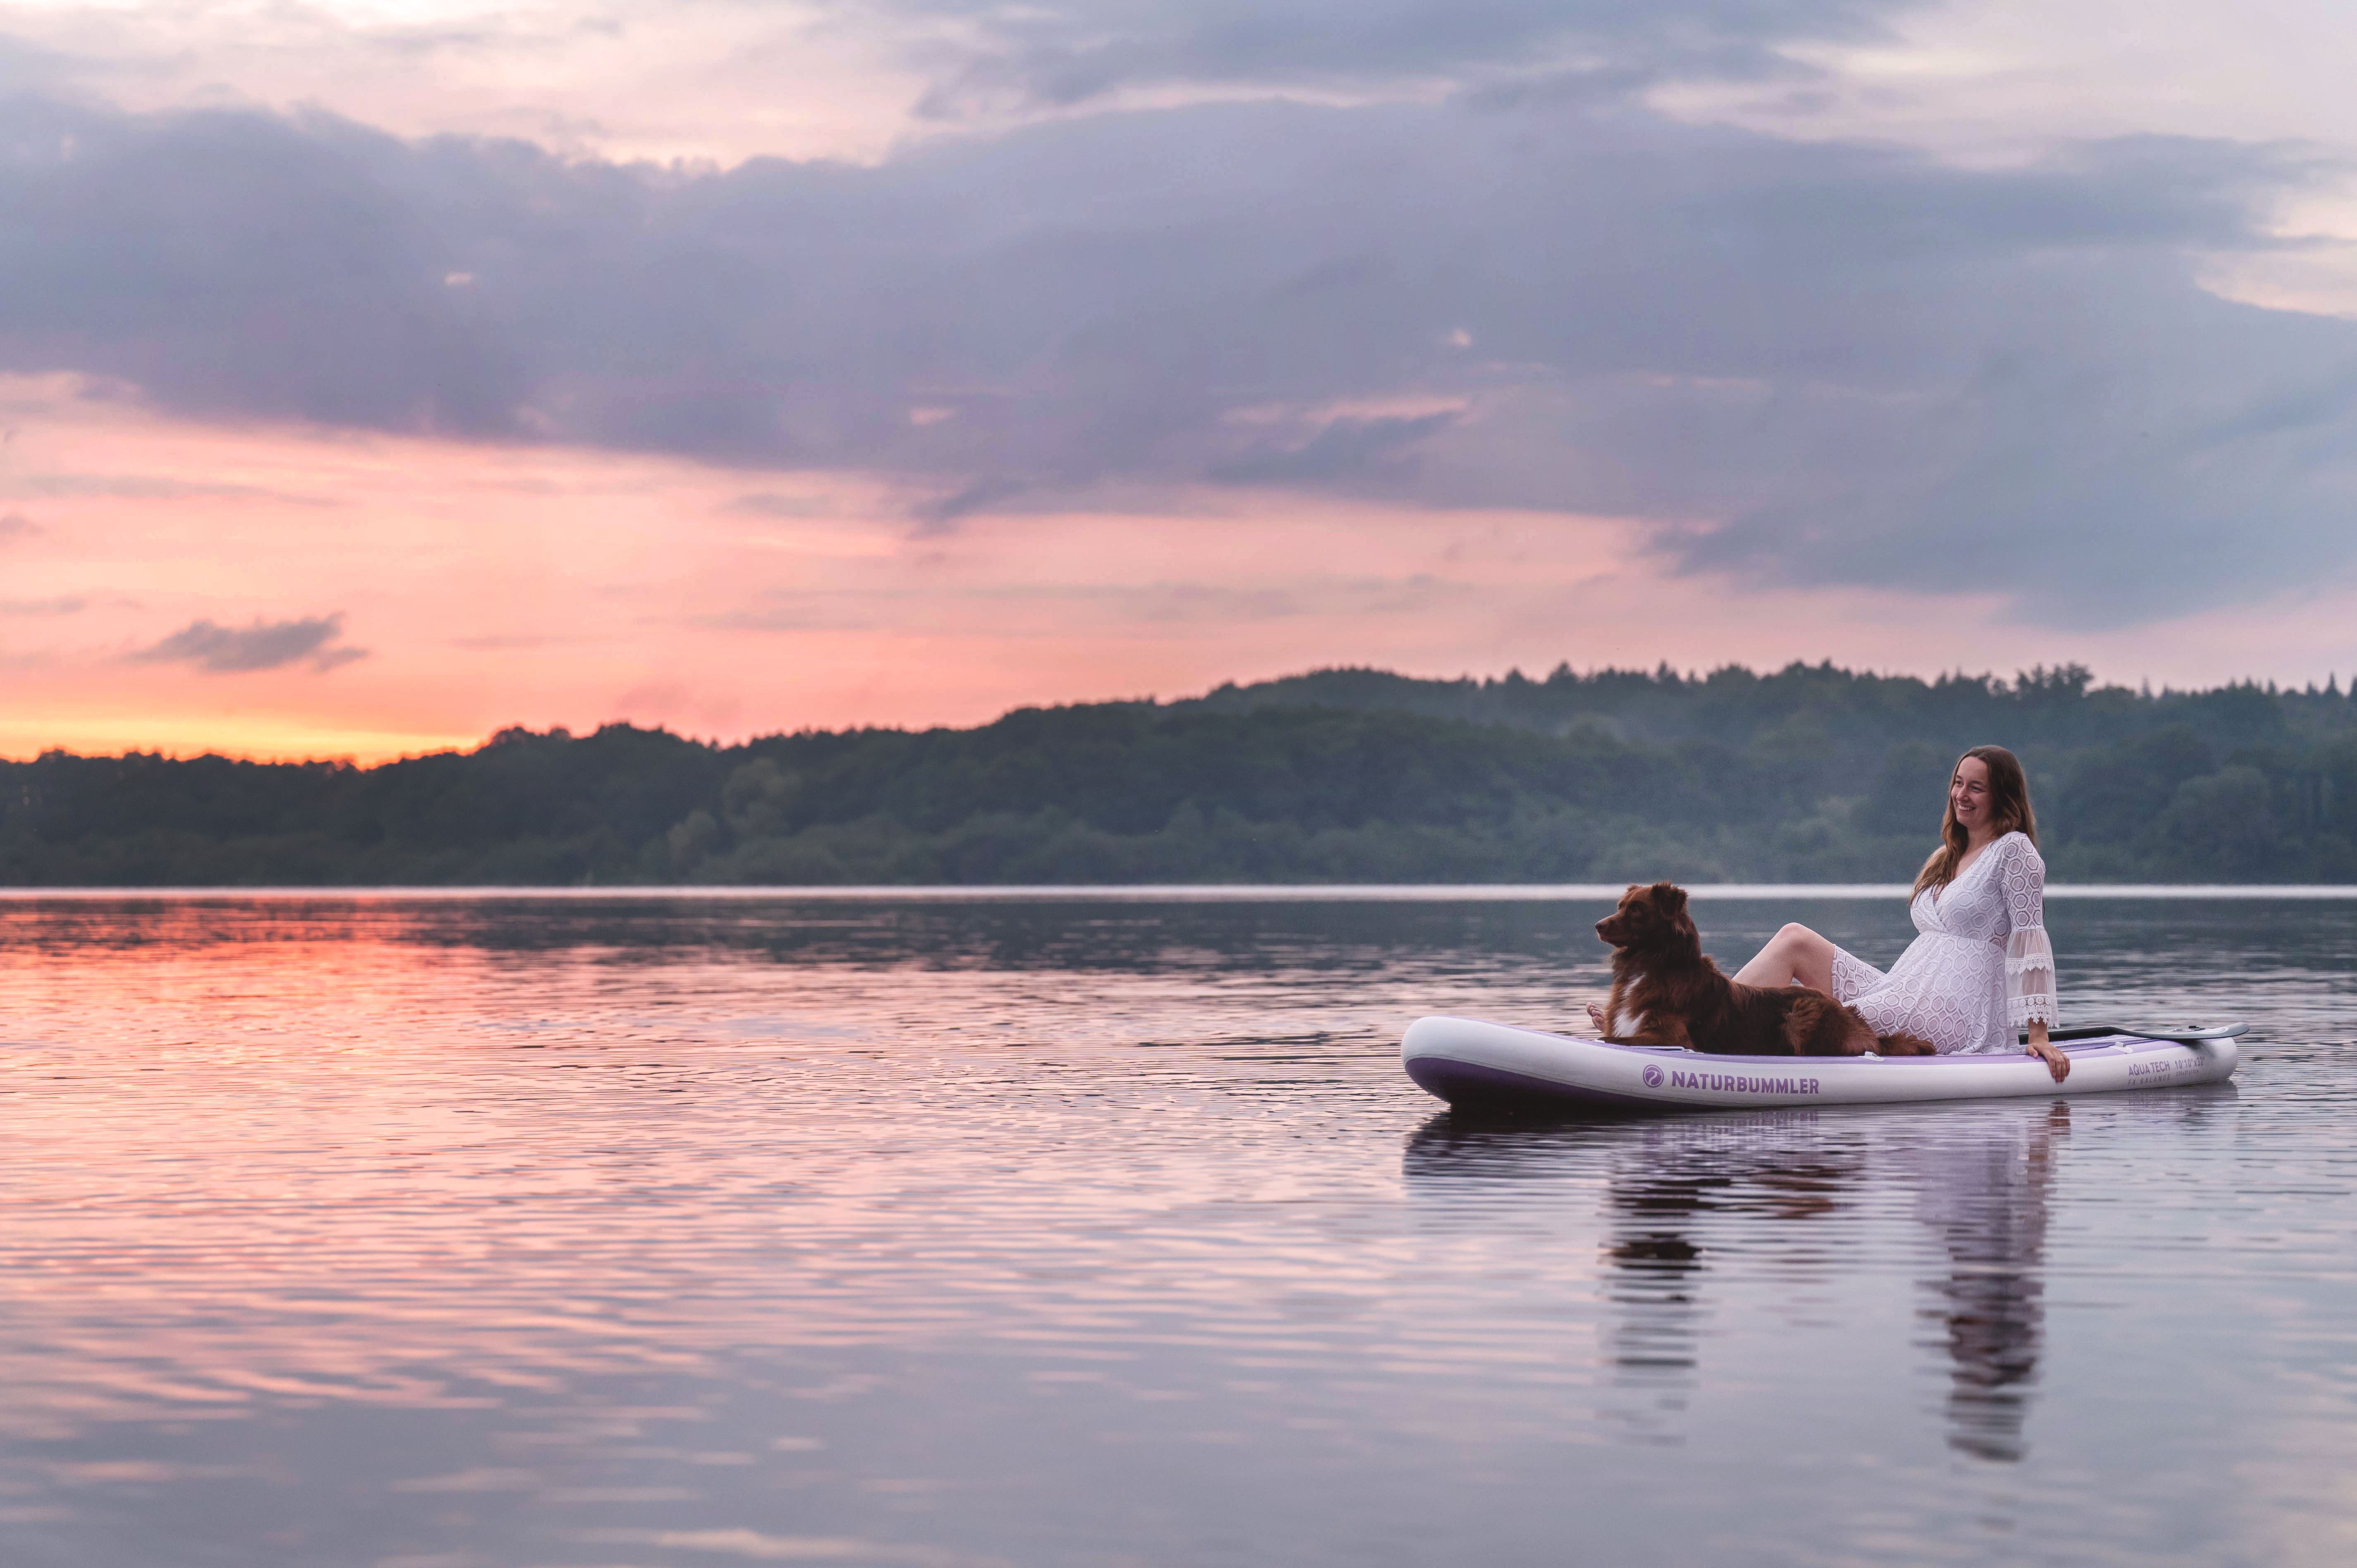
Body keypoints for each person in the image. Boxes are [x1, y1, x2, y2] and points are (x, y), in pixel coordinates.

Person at [1590, 745, 2067, 1080]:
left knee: (1814, 1013)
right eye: (1957, 783)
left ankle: (1685, 1025)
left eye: (1976, 788)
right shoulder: (1948, 855)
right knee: (1794, 937)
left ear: (2002, 796)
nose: (1961, 795)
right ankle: (1685, 1016)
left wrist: (2037, 1035)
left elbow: (2029, 940)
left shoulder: (2014, 852)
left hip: (1957, 1013)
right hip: (1905, 988)